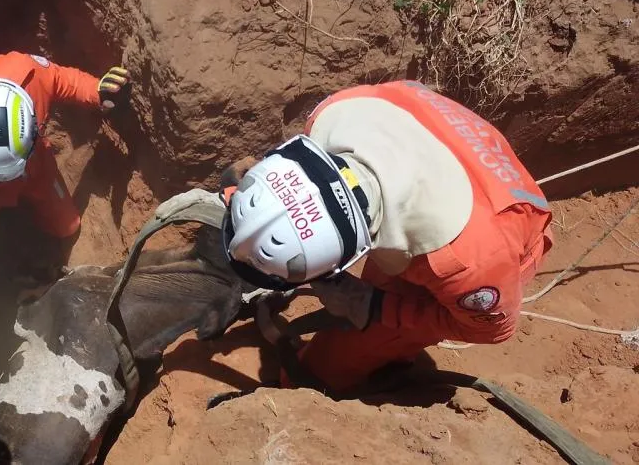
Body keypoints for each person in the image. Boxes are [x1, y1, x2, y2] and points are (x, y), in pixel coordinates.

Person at [219, 80, 553, 394]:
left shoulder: (467, 265)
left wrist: (374, 305)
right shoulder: (335, 113)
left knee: (320, 371)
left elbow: (490, 329)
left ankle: (377, 370)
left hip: (503, 232)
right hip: (442, 147)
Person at [0, 51, 130, 327]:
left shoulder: (27, 73)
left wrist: (95, 90)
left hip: (34, 172)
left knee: (68, 225)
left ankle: (40, 241)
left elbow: (60, 78)